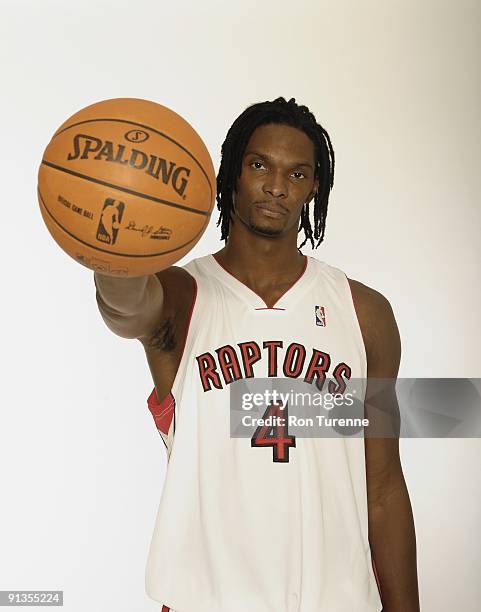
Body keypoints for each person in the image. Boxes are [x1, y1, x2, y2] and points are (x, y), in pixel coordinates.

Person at [94, 97, 420, 612]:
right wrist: (111, 247)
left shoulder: (364, 313)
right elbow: (126, 310)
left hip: (332, 600)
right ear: (232, 173)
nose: (276, 186)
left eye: (297, 173)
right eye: (259, 165)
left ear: (314, 187)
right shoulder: (182, 295)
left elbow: (382, 489)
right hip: (207, 599)